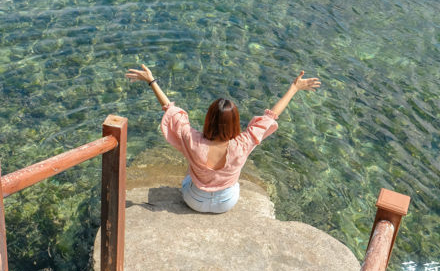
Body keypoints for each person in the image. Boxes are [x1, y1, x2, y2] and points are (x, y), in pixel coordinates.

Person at [125, 64, 320, 214]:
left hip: (194, 200)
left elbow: (171, 111)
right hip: (226, 202)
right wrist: (294, 88)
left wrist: (152, 81)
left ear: (209, 119)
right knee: (228, 177)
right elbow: (270, 117)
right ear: (235, 122)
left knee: (190, 169)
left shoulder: (191, 139)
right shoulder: (243, 143)